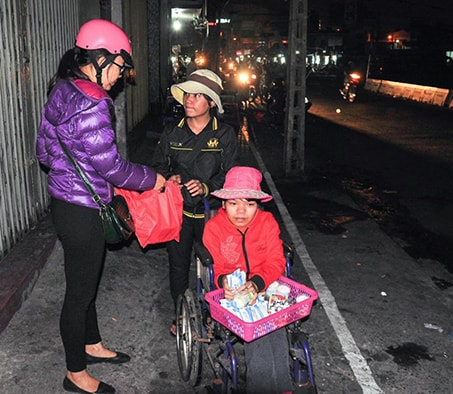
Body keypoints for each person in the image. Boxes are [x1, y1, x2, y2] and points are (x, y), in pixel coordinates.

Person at [36, 19, 166, 394]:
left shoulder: (61, 90)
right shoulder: (93, 102)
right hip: (83, 210)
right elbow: (112, 167)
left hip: (64, 203)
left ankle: (91, 344)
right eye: (119, 67)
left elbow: (44, 151)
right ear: (100, 59)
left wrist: (67, 167)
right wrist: (152, 178)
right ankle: (74, 373)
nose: (120, 77)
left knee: (85, 281)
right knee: (78, 293)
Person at [151, 69, 238, 335]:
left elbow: (231, 177)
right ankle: (181, 316)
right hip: (179, 213)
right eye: (187, 94)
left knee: (215, 266)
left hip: (212, 215)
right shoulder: (171, 133)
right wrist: (169, 179)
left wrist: (207, 186)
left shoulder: (224, 135)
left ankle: (214, 315)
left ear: (211, 103)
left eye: (198, 95)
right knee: (177, 265)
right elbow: (156, 166)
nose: (189, 99)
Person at [202, 166, 293, 393]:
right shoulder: (213, 228)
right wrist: (223, 282)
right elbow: (217, 268)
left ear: (258, 205)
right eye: (234, 203)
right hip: (231, 296)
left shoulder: (267, 222)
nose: (241, 211)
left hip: (266, 285)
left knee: (276, 324)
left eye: (250, 204)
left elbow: (276, 261)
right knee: (259, 331)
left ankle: (283, 387)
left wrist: (257, 284)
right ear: (223, 204)